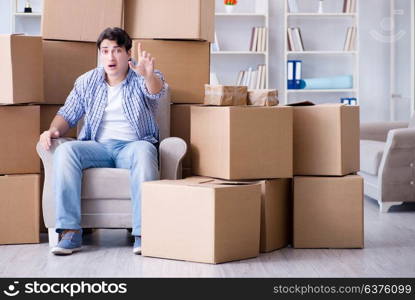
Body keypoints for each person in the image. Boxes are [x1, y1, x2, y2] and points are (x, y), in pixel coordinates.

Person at [38, 27, 166, 255]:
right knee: (66, 151)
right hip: (98, 147)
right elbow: (68, 113)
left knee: (145, 151)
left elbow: (156, 92)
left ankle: (144, 234)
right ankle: (69, 232)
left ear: (128, 54)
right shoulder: (87, 81)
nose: (110, 57)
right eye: (105, 51)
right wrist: (52, 130)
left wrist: (149, 75)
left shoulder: (142, 75)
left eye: (117, 50)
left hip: (133, 146)